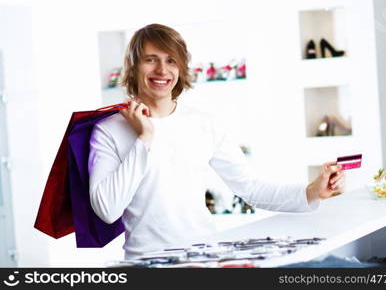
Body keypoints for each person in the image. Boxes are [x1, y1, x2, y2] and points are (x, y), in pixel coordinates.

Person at [88, 23, 345, 260]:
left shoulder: (202, 123)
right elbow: (107, 209)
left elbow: (250, 188)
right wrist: (144, 139)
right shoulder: (109, 130)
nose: (162, 70)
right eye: (150, 60)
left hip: (203, 256)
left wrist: (311, 192)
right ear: (133, 67)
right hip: (146, 263)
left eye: (171, 61)